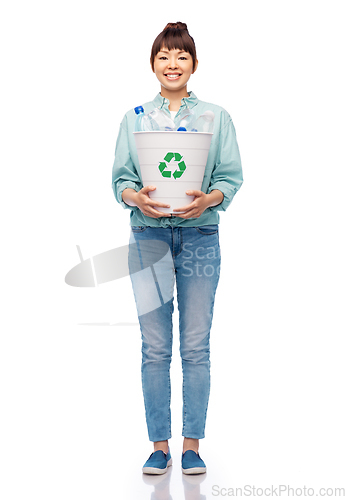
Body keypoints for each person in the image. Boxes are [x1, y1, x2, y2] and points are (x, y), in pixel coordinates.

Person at [112, 22, 243, 475]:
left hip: (200, 235)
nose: (173, 64)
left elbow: (230, 176)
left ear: (194, 65)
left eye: (181, 56)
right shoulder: (134, 118)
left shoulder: (216, 116)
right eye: (165, 56)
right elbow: (120, 178)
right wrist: (135, 196)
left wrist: (209, 199)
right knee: (154, 346)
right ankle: (159, 446)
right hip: (148, 236)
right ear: (152, 64)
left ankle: (191, 445)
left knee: (195, 345)